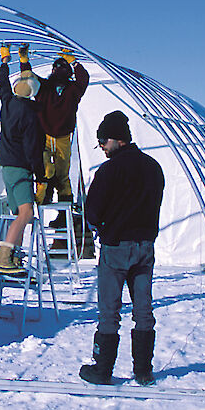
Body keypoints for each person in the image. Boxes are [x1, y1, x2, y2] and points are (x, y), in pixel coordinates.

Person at [79, 111, 164, 386]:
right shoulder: (153, 166)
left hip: (116, 248)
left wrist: (103, 225)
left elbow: (92, 212)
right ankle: (143, 371)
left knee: (109, 311)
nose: (102, 146)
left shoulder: (109, 170)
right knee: (143, 310)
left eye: (103, 140)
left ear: (117, 139)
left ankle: (102, 370)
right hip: (145, 247)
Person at [18, 45, 89, 227]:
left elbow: (84, 79)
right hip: (45, 136)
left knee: (63, 175)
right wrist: (24, 62)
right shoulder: (45, 87)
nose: (59, 70)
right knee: (45, 170)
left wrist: (74, 61)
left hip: (63, 137)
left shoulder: (73, 89)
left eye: (62, 67)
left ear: (68, 71)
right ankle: (39, 201)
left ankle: (63, 214)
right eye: (56, 67)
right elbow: (29, 79)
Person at [0, 45, 47, 275]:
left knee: (20, 214)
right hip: (20, 168)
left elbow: (2, 83)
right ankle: (5, 258)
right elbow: (33, 149)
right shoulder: (30, 115)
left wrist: (5, 61)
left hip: (6, 167)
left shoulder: (7, 103)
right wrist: (41, 176)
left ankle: (14, 257)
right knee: (26, 214)